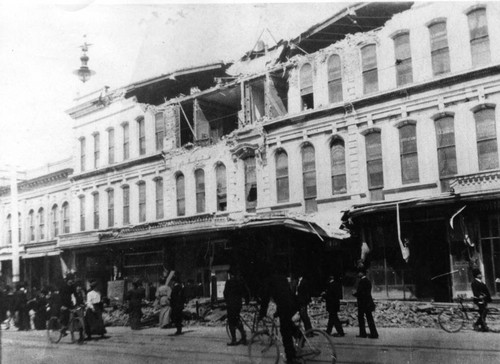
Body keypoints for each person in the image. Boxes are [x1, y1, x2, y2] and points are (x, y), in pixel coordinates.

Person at [259, 265, 301, 364]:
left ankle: (291, 359)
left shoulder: (269, 281)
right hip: (292, 305)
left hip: (285, 307)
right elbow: (284, 295)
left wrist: (262, 313)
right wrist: (277, 312)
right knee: (290, 327)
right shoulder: (282, 278)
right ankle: (299, 337)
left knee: (285, 332)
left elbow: (265, 298)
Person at [223, 269, 249, 346]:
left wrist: (227, 301)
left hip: (231, 305)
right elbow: (246, 292)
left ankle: (234, 340)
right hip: (238, 304)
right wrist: (247, 301)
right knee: (237, 319)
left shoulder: (229, 282)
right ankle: (243, 337)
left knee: (231, 322)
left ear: (230, 275)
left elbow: (225, 293)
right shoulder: (240, 282)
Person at [352, 267, 378, 339]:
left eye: (358, 273)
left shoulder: (362, 282)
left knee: (361, 318)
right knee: (370, 318)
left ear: (362, 273)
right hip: (368, 303)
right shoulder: (367, 281)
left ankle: (363, 333)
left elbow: (361, 293)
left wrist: (355, 294)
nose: (357, 274)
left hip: (363, 303)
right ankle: (374, 333)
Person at [471, 268, 492, 332]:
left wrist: (488, 298)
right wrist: (480, 296)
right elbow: (475, 292)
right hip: (479, 301)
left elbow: (486, 291)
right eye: (480, 274)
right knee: (483, 313)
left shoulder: (482, 282)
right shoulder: (474, 283)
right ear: (477, 275)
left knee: (483, 313)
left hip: (484, 300)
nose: (481, 275)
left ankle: (482, 326)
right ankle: (480, 325)